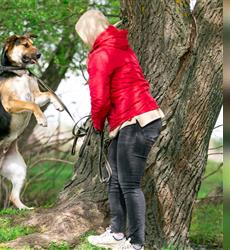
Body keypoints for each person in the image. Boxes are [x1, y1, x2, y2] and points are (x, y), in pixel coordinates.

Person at [75, 10, 165, 250]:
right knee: (116, 180)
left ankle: (135, 244)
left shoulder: (100, 55)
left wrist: (96, 123)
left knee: (129, 185)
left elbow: (100, 98)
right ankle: (116, 233)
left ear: (88, 33)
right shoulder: (121, 48)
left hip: (136, 121)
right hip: (132, 120)